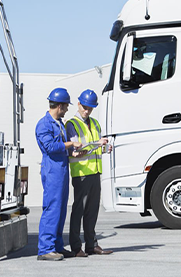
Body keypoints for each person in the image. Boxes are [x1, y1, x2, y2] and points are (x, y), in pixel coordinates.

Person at [36, 88, 83, 261]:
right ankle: (45, 249)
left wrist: (73, 153)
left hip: (62, 169)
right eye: (66, 106)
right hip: (52, 170)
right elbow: (50, 147)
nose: (67, 109)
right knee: (52, 208)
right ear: (60, 106)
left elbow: (61, 148)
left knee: (61, 209)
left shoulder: (59, 123)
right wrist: (71, 144)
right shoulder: (44, 124)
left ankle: (56, 246)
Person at [66, 89, 114, 257]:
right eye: (84, 107)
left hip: (94, 172)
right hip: (81, 173)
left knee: (92, 211)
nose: (86, 111)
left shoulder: (95, 123)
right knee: (79, 211)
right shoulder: (71, 124)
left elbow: (94, 147)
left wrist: (105, 147)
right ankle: (75, 247)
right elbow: (75, 148)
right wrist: (96, 143)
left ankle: (92, 245)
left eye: (90, 108)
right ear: (78, 104)